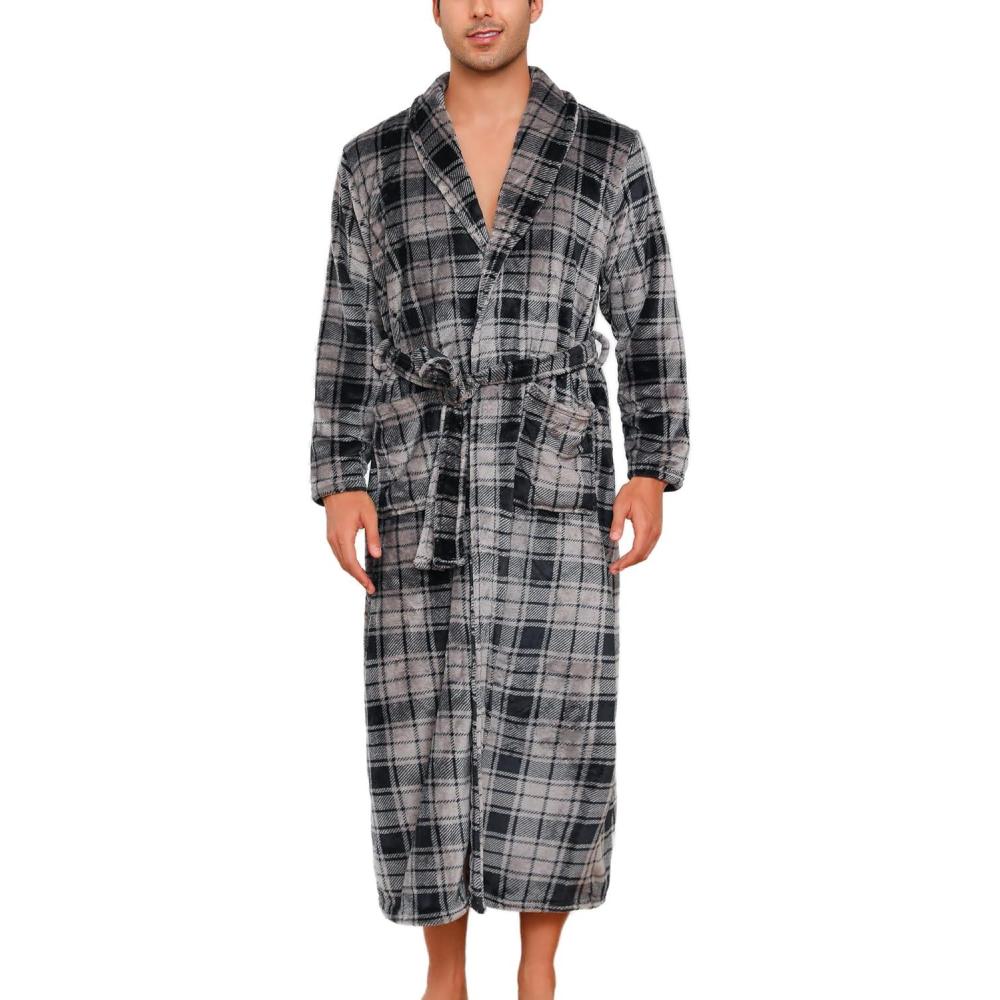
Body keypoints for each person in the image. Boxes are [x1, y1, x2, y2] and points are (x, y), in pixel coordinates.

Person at [309, 2, 689, 997]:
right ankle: (443, 974)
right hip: (417, 481)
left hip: (553, 477)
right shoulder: (372, 162)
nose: (483, 7)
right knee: (419, 726)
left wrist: (651, 461)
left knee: (554, 716)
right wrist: (341, 475)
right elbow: (347, 326)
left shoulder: (607, 153)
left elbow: (648, 316)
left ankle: (538, 967)